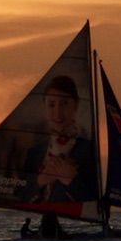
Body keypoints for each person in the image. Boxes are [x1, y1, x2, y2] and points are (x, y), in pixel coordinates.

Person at [21, 75, 97, 207]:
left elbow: (96, 204)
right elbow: (19, 197)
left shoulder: (90, 150)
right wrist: (40, 180)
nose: (57, 113)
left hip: (73, 225)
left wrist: (71, 181)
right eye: (51, 105)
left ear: (76, 105)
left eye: (65, 104)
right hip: (39, 222)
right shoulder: (35, 153)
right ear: (44, 106)